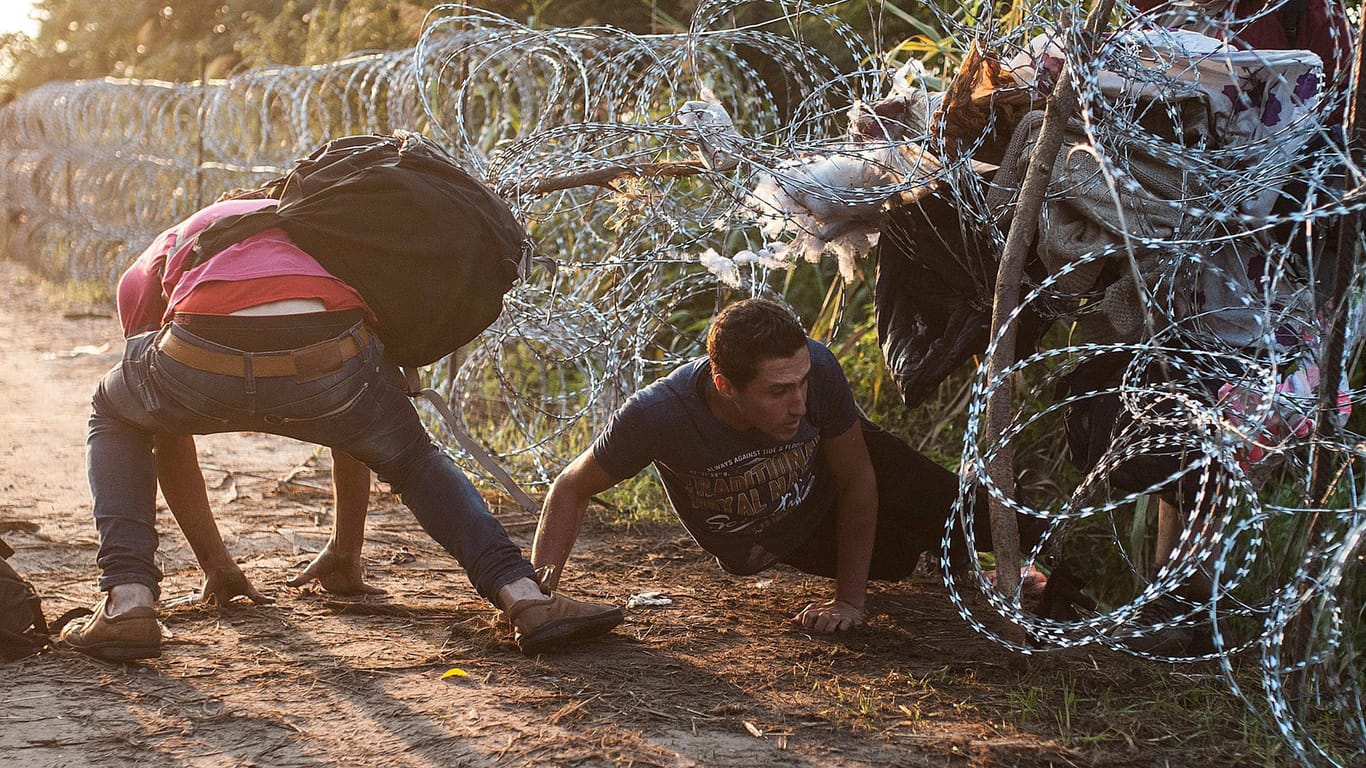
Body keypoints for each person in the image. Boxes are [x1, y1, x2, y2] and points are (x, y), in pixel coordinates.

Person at [59, 195, 623, 660]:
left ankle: (129, 600)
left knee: (117, 412)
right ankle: (524, 596)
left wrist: (218, 565)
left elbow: (166, 437)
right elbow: (363, 415)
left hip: (200, 347)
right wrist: (347, 549)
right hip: (332, 354)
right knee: (412, 458)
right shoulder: (320, 229)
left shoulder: (159, 257)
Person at [532, 298, 1025, 634]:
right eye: (777, 391)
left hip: (829, 479)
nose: (798, 403)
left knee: (930, 489)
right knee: (896, 559)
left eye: (802, 381)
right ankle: (958, 560)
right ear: (726, 387)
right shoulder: (658, 415)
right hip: (776, 533)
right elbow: (570, 489)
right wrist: (538, 599)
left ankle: (1036, 555)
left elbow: (857, 480)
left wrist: (849, 602)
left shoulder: (816, 370)